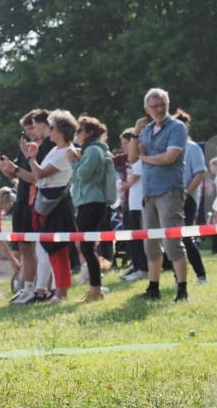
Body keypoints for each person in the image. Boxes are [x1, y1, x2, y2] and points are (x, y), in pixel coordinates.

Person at [129, 88, 190, 302]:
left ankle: (182, 289)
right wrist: (135, 134)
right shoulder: (145, 131)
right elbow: (132, 158)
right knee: (150, 244)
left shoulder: (177, 127)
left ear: (168, 104)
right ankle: (153, 288)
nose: (159, 109)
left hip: (170, 190)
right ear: (147, 109)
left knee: (172, 242)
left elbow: (169, 157)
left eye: (162, 104)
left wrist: (146, 159)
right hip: (149, 192)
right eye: (154, 106)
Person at [0, 109, 56, 306]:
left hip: (39, 202)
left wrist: (15, 169)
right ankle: (29, 287)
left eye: (32, 127)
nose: (30, 133)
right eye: (27, 129)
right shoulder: (28, 148)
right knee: (25, 247)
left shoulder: (49, 146)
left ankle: (42, 288)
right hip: (23, 201)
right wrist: (8, 170)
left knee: (41, 248)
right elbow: (18, 174)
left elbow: (34, 177)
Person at [24, 111, 79, 302]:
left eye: (52, 127)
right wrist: (32, 158)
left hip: (57, 205)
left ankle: (61, 292)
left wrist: (31, 157)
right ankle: (57, 291)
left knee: (58, 250)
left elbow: (39, 174)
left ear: (62, 130)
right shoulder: (56, 150)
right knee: (51, 250)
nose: (50, 130)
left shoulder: (65, 152)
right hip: (47, 203)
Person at [72, 116, 112, 302]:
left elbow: (83, 175)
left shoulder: (94, 151)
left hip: (91, 202)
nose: (76, 135)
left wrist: (74, 161)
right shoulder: (91, 150)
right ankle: (95, 289)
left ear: (88, 133)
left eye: (79, 131)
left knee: (87, 248)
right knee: (88, 248)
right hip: (87, 202)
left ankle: (96, 290)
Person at [174, 109, 208, 284]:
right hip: (172, 199)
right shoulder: (172, 147)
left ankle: (201, 275)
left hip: (188, 199)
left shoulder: (193, 147)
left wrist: (186, 193)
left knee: (186, 237)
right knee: (173, 239)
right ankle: (177, 277)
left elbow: (200, 173)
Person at [119, 129, 149, 281]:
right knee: (132, 237)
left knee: (138, 238)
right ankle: (137, 266)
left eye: (127, 143)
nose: (124, 146)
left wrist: (123, 186)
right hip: (133, 203)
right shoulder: (134, 159)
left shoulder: (139, 158)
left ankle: (143, 268)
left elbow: (134, 177)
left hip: (139, 204)